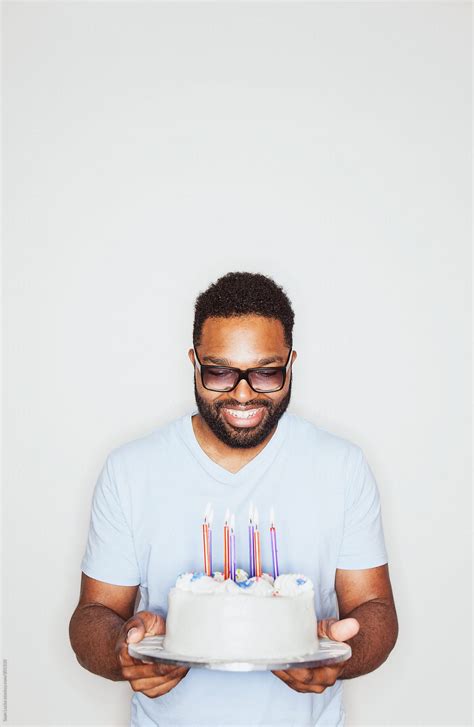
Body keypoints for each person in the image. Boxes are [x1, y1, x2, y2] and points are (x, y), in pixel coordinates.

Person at [69, 271, 398, 726]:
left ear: (290, 363)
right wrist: (120, 648)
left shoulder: (341, 466)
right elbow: (93, 614)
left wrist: (343, 653)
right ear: (194, 362)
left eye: (266, 372)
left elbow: (376, 610)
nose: (243, 393)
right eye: (220, 371)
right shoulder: (131, 470)